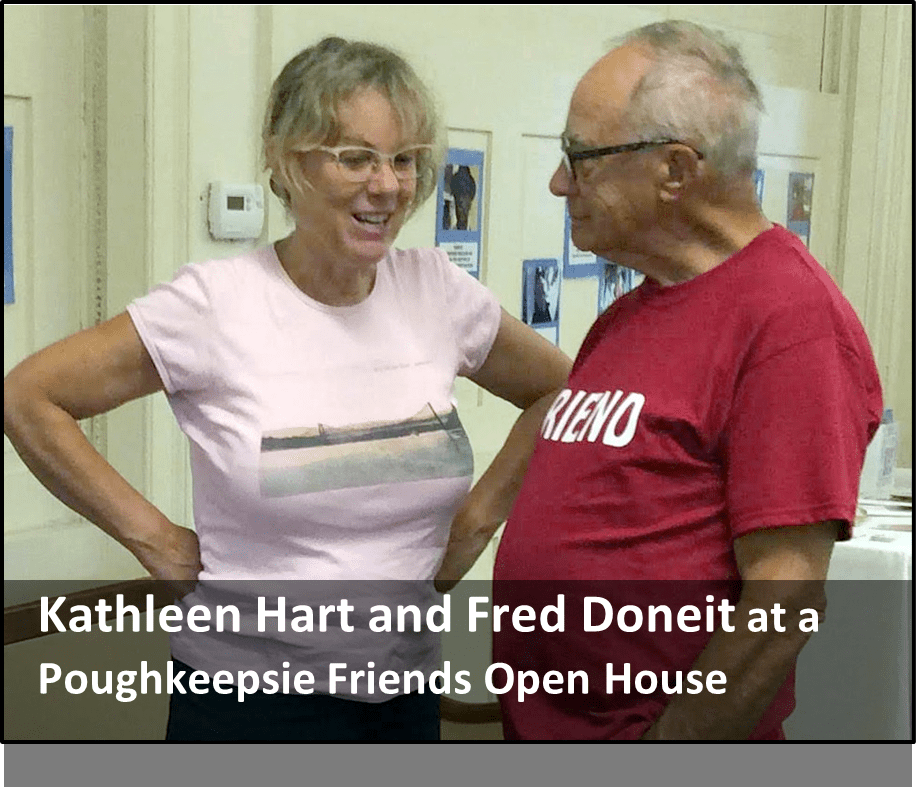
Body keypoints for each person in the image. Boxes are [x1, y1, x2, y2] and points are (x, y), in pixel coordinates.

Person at [3, 36, 572, 740]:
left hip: (405, 693)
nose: (387, 185)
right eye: (355, 157)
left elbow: (565, 388)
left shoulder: (440, 293)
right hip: (248, 700)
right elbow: (29, 396)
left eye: (403, 160)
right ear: (283, 159)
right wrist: (152, 538)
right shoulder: (216, 304)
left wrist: (479, 518)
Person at [483, 20, 882, 739]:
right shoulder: (632, 311)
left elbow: (784, 599)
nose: (558, 181)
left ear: (674, 169)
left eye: (580, 156)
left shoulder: (789, 322)